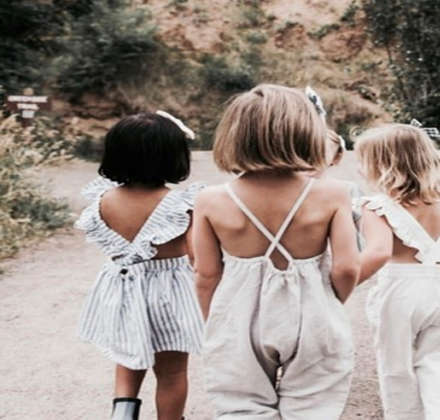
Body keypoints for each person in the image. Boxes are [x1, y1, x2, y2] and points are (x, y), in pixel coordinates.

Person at [193, 84, 360, 419]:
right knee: (313, 406)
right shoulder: (333, 195)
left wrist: (217, 321)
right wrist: (329, 302)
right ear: (305, 131)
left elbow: (206, 275)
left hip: (238, 316)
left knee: (242, 406)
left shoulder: (211, 200)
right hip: (314, 315)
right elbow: (347, 268)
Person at [75, 111, 204, 420]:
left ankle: (122, 413)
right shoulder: (182, 204)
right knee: (172, 372)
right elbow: (197, 256)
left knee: (128, 356)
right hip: (169, 295)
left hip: (122, 290)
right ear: (174, 156)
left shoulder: (104, 200)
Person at [354, 123, 440, 420]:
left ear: (384, 165)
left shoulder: (376, 207)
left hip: (402, 290)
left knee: (398, 370)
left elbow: (378, 252)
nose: (360, 169)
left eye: (364, 161)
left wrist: (339, 286)